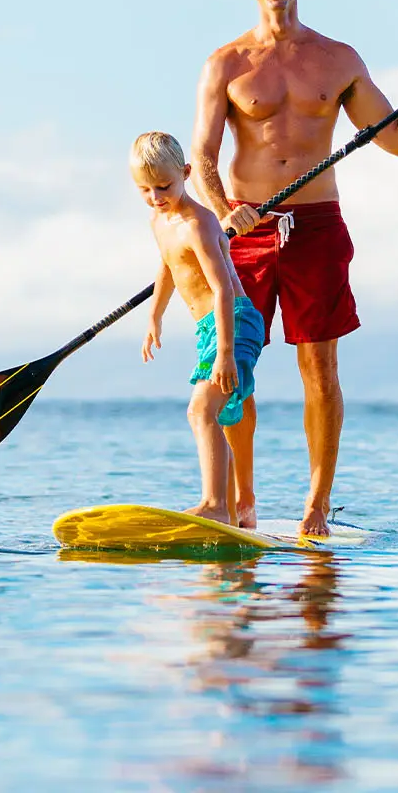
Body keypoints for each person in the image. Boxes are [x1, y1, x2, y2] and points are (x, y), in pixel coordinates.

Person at [191, 0, 398, 537]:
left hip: (318, 228)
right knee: (234, 368)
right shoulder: (226, 64)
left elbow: (397, 140)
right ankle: (241, 504)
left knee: (320, 367)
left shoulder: (338, 59)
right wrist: (223, 210)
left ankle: (316, 507)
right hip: (244, 229)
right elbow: (201, 157)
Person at [130, 131, 266, 525]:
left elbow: (223, 288)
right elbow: (168, 267)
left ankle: (215, 504)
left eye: (164, 186)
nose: (156, 196)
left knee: (201, 410)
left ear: (186, 173)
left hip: (235, 323)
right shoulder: (160, 220)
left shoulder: (199, 224)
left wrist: (225, 353)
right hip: (210, 328)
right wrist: (154, 315)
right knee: (216, 414)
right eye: (145, 189)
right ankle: (226, 511)